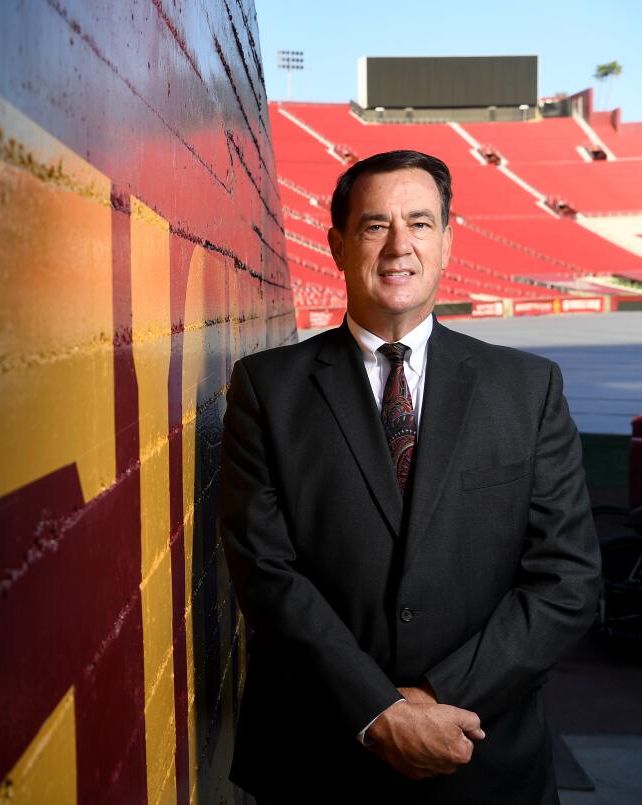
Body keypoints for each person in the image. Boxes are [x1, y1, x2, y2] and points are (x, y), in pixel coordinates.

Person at [220, 150, 601, 803]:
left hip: (481, 756)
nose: (400, 245)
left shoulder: (528, 389)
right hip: (319, 761)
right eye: (375, 226)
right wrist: (379, 713)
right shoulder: (266, 389)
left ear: (448, 241)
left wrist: (431, 704)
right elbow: (267, 576)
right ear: (337, 245)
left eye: (420, 223)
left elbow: (569, 580)